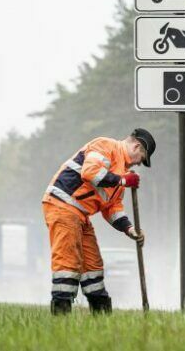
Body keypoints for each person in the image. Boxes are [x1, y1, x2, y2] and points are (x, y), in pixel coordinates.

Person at [41, 128, 156, 314]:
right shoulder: (106, 145)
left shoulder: (121, 172)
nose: (140, 164)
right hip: (62, 205)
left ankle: (101, 316)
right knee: (68, 262)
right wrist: (123, 181)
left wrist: (130, 229)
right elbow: (90, 172)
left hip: (80, 214)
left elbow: (112, 209)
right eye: (142, 158)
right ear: (137, 146)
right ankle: (61, 316)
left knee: (93, 266)